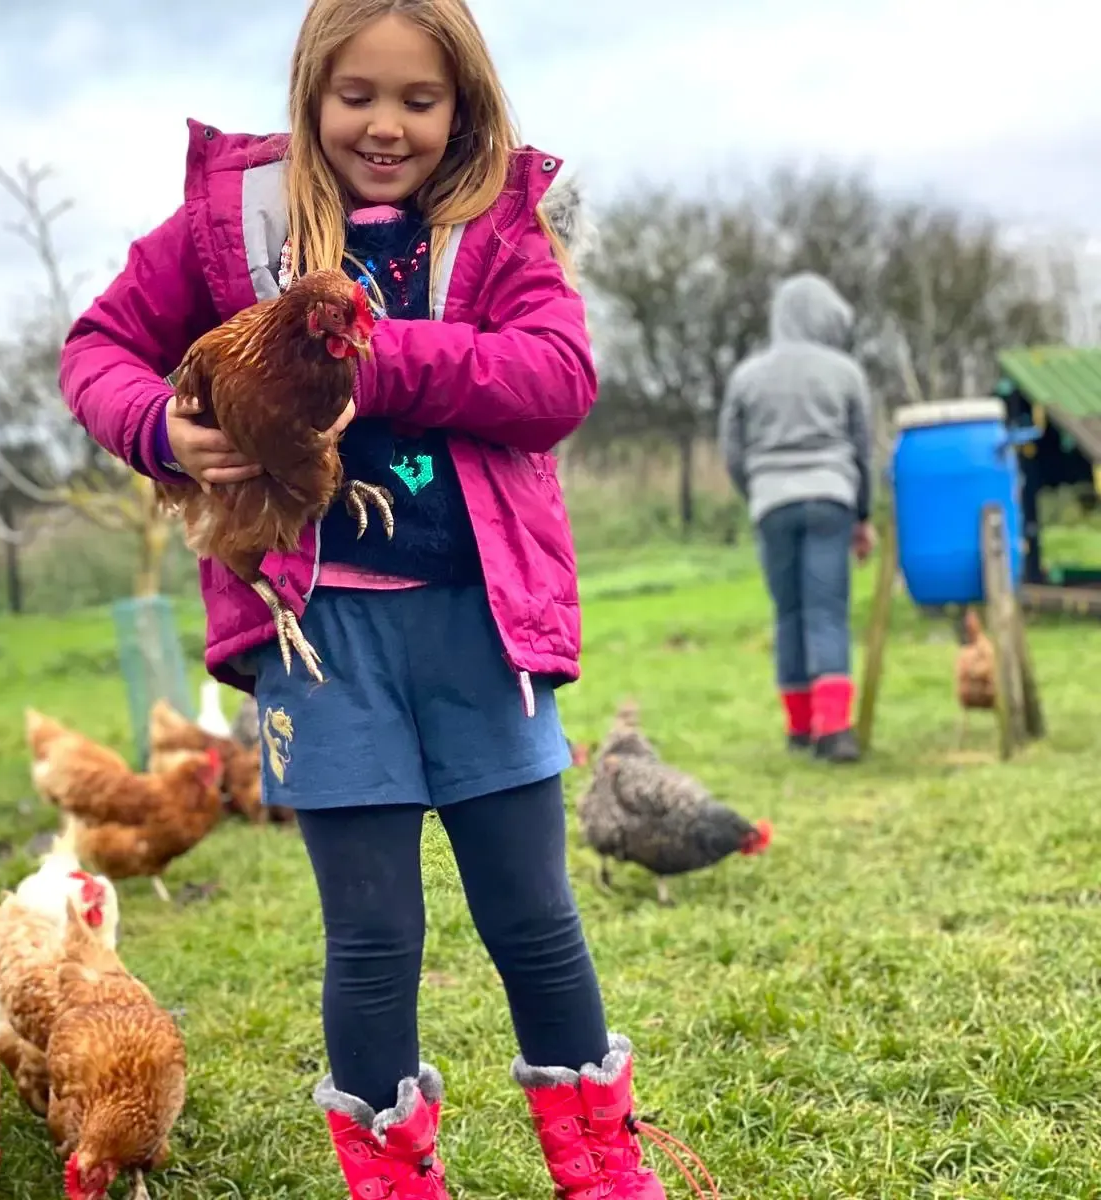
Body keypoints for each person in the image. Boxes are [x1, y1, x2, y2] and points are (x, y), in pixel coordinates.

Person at [60, 2, 697, 1196]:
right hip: (320, 638)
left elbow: (557, 378)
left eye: (419, 98)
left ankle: (602, 1167)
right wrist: (160, 429)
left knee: (532, 916)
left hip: (478, 622)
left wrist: (375, 350)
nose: (387, 125)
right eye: (358, 96)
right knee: (371, 938)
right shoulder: (226, 222)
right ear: (311, 93)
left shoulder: (501, 222)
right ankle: (393, 1178)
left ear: (463, 103)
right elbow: (96, 346)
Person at [719, 272, 876, 764]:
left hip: (771, 502)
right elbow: (863, 449)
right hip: (832, 498)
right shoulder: (845, 371)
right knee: (826, 610)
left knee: (788, 612)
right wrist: (862, 515)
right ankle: (836, 733)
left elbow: (732, 449)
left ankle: (800, 727)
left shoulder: (747, 376)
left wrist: (758, 493)